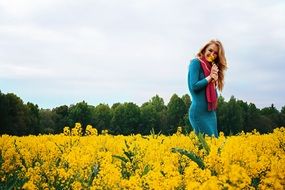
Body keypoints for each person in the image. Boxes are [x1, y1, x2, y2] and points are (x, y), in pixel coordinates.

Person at [187, 40, 227, 137]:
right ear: (205, 49)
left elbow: (214, 97)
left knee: (214, 146)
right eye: (210, 50)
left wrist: (214, 82)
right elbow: (194, 86)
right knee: (205, 148)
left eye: (215, 53)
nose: (212, 54)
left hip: (210, 113)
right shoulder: (195, 63)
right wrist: (210, 78)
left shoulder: (211, 69)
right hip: (198, 113)